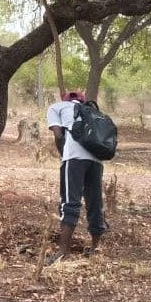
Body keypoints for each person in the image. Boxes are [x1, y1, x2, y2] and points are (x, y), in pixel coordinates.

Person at [46, 91, 107, 263]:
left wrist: (63, 154)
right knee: (95, 202)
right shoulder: (92, 111)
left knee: (70, 201)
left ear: (65, 100)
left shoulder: (56, 107)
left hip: (74, 158)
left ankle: (63, 252)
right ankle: (95, 249)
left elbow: (58, 135)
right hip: (96, 159)